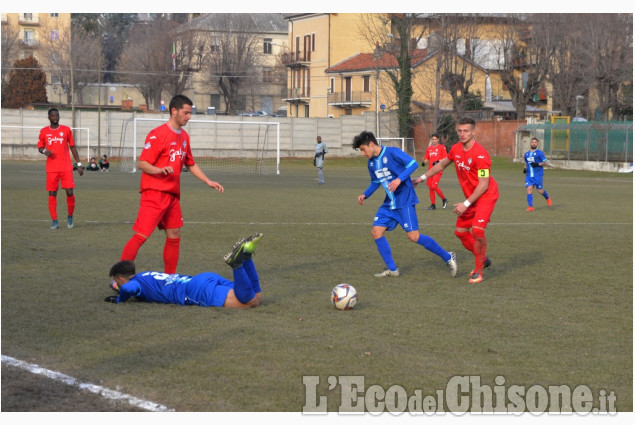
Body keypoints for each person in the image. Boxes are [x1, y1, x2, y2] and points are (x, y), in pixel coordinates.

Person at [119, 94, 224, 274]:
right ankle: (119, 277)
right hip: (154, 193)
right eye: (186, 113)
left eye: (190, 113)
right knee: (142, 236)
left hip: (172, 196)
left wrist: (207, 180)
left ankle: (170, 278)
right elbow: (142, 163)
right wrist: (158, 170)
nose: (189, 117)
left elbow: (190, 163)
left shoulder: (184, 137)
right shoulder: (157, 135)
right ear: (174, 111)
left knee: (174, 235)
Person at [353, 130, 457, 278]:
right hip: (389, 203)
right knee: (376, 232)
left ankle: (448, 256)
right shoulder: (371, 163)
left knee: (414, 236)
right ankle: (392, 269)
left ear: (371, 144)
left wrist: (399, 179)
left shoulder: (392, 152)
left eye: (363, 149)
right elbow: (376, 182)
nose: (363, 153)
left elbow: (413, 164)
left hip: (405, 201)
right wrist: (365, 194)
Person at [412, 117, 499, 284]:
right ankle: (484, 258)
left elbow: (484, 184)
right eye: (459, 130)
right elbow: (441, 164)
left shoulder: (481, 154)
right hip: (472, 197)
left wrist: (465, 204)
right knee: (460, 232)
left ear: (474, 132)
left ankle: (479, 270)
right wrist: (421, 178)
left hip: (486, 195)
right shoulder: (456, 149)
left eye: (466, 131)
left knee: (478, 231)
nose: (462, 134)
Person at [105, 233, 263, 308]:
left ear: (120, 277)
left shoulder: (137, 283)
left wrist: (119, 300)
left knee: (248, 303)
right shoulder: (146, 274)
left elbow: (128, 287)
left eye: (116, 281)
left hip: (194, 290)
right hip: (204, 279)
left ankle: (237, 264)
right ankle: (247, 257)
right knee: (256, 298)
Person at [37, 108, 84, 230]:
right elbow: (40, 147)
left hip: (66, 167)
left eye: (57, 115)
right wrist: (44, 151)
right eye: (52, 115)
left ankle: (70, 217)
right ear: (49, 117)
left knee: (70, 192)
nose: (55, 117)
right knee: (52, 193)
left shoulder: (66, 130)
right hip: (52, 168)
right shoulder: (44, 132)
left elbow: (73, 147)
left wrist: (78, 164)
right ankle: (54, 221)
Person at [421, 133, 449, 210]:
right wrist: (424, 162)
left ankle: (444, 199)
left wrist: (437, 161)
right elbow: (427, 158)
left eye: (435, 139)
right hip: (430, 171)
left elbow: (446, 158)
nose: (434, 141)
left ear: (438, 140)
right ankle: (433, 205)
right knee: (431, 188)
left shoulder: (442, 147)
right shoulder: (429, 148)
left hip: (438, 170)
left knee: (434, 186)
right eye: (433, 139)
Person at [523, 137, 552, 211]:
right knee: (529, 189)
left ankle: (547, 198)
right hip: (529, 175)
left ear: (537, 144)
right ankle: (531, 207)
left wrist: (538, 164)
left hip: (537, 175)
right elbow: (526, 163)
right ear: (530, 143)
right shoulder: (526, 154)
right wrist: (525, 168)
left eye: (535, 142)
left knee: (540, 191)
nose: (534, 143)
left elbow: (546, 163)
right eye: (532, 142)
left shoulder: (540, 153)